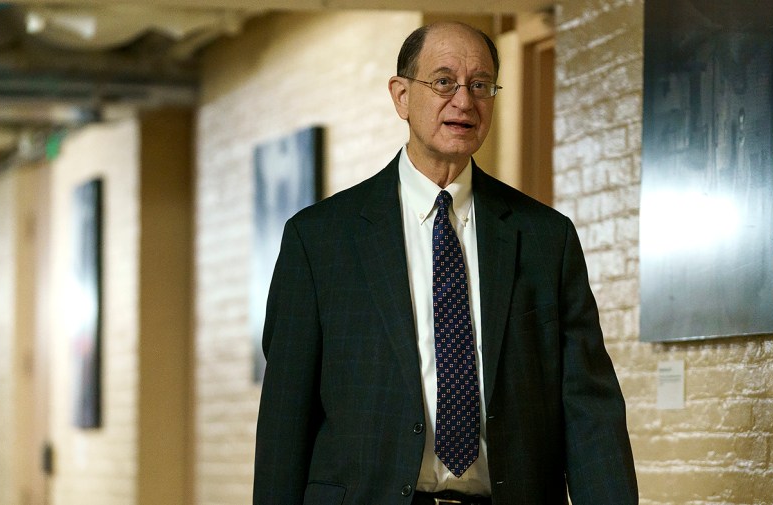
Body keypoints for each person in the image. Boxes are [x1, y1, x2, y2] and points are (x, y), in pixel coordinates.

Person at [253, 21, 638, 505]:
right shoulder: (320, 240)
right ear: (401, 96)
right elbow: (285, 418)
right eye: (443, 82)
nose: (464, 101)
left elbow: (589, 409)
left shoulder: (545, 238)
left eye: (480, 85)